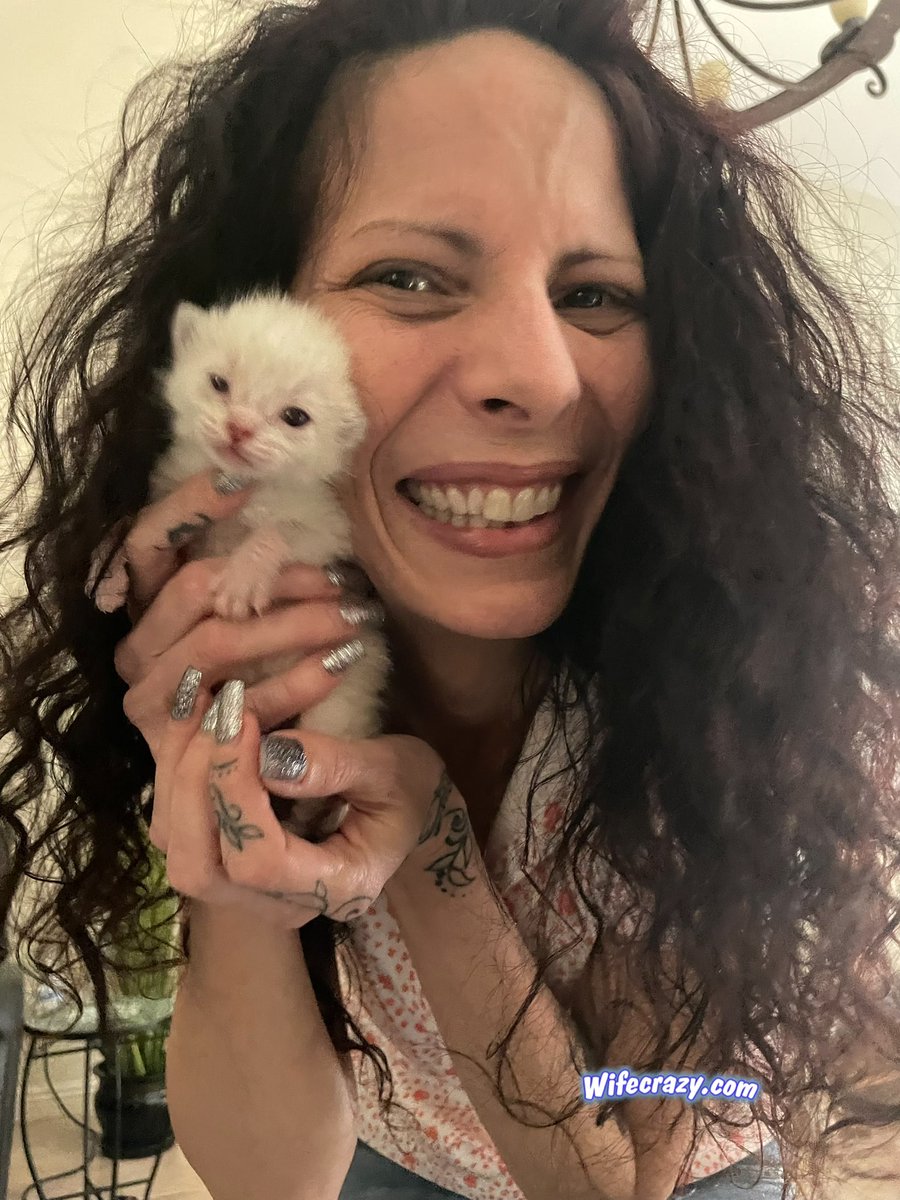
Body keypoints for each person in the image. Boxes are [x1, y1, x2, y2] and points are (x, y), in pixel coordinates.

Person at [1, 0, 899, 1198]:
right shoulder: (253, 637)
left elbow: (608, 1177)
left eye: (596, 294)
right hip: (389, 1146)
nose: (539, 375)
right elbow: (271, 1181)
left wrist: (427, 836)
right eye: (410, 276)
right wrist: (237, 858)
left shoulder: (733, 687)